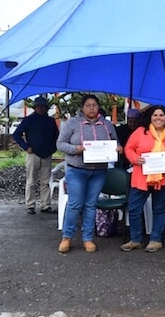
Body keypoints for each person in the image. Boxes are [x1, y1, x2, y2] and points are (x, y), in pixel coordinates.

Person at [56, 94, 122, 253]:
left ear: (98, 107)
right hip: (76, 170)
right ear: (82, 107)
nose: (92, 108)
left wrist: (118, 149)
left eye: (94, 105)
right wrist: (74, 149)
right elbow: (60, 144)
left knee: (91, 205)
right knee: (75, 204)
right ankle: (67, 237)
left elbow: (116, 142)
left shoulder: (107, 125)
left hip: (99, 171)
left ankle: (87, 238)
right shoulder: (72, 123)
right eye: (88, 105)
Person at [120, 105, 165, 253]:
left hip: (162, 178)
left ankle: (156, 240)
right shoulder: (140, 132)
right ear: (150, 118)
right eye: (155, 115)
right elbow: (128, 148)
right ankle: (136, 239)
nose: (158, 118)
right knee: (134, 208)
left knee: (159, 209)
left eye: (161, 115)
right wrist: (135, 159)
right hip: (141, 177)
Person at [12, 96, 59, 214]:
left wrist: (53, 148)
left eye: (44, 107)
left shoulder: (51, 121)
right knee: (31, 181)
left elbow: (56, 136)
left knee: (45, 181)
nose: (42, 109)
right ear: (35, 107)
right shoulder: (28, 120)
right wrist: (26, 147)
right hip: (33, 154)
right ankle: (30, 204)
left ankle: (45, 205)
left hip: (47, 154)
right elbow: (16, 134)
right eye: (39, 106)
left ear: (47, 108)